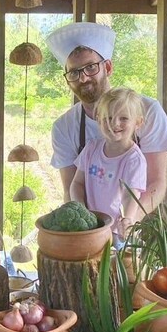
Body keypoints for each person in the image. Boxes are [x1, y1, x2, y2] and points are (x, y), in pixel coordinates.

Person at [46, 22, 167, 219]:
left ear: (107, 67)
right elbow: (71, 189)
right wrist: (91, 228)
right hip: (92, 228)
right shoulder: (64, 127)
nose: (83, 78)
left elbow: (156, 183)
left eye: (90, 67)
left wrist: (128, 222)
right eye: (74, 72)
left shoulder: (148, 112)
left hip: (142, 221)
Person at [70, 87, 147, 244]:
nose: (114, 123)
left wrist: (128, 219)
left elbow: (130, 195)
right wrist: (81, 210)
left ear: (137, 123)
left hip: (115, 232)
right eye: (108, 118)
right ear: (98, 119)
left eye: (123, 118)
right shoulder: (91, 149)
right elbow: (77, 183)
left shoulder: (133, 159)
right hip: (91, 226)